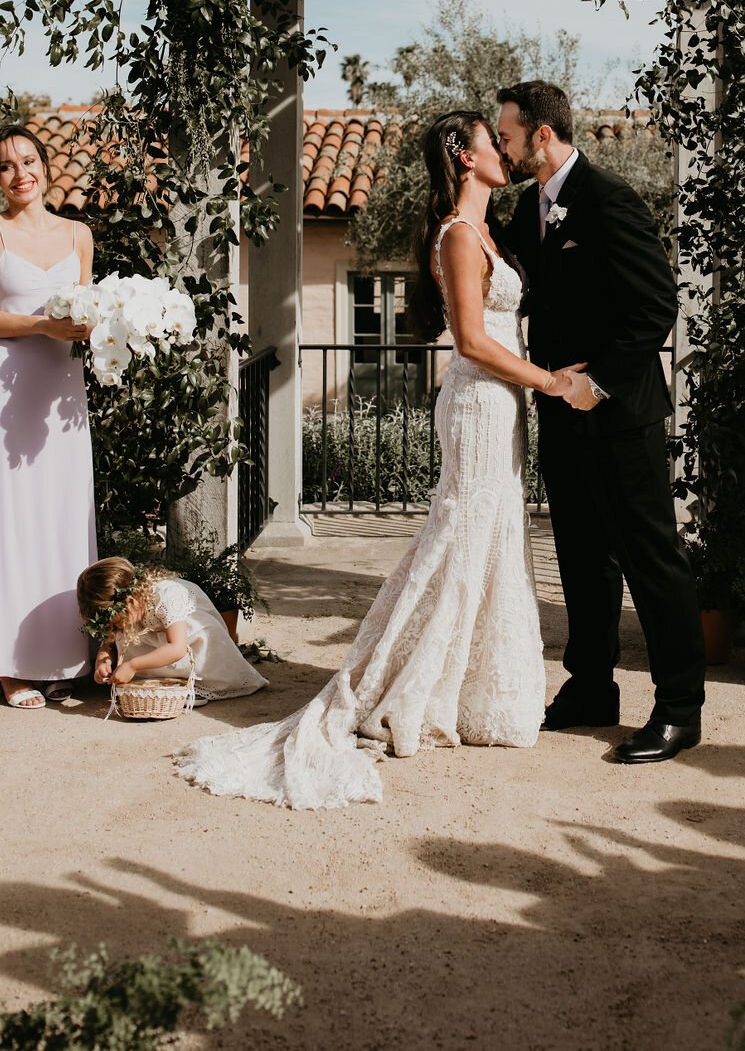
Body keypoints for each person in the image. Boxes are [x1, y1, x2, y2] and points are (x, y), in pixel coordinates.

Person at [175, 111, 574, 806]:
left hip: (500, 408)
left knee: (490, 537)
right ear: (463, 155)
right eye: (492, 141)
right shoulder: (456, 234)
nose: (502, 152)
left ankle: (478, 692)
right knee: (460, 534)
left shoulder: (488, 232)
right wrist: (550, 382)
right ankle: (403, 685)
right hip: (480, 403)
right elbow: (474, 342)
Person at [496, 82, 705, 763]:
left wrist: (598, 382)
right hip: (561, 415)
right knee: (582, 559)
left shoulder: (611, 199)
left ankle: (679, 708)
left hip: (622, 416)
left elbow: (656, 307)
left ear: (543, 135)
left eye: (508, 135)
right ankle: (591, 688)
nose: (504, 145)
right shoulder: (529, 206)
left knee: (652, 560)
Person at [0, 124, 96, 711]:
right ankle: (11, 666)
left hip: (64, 394)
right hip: (9, 390)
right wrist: (39, 323)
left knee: (63, 513)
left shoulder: (79, 234)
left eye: (28, 160)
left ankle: (63, 658)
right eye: (6, 167)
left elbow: (85, 308)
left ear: (45, 164)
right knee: (12, 518)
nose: (20, 174)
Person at [77, 557, 268, 703]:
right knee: (126, 637)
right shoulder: (127, 608)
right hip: (161, 642)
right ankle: (163, 684)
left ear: (132, 597)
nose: (116, 626)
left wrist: (133, 665)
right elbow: (109, 641)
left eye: (117, 620)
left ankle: (192, 685)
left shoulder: (168, 594)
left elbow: (177, 648)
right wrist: (103, 659)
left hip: (191, 641)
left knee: (152, 648)